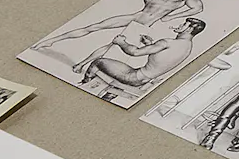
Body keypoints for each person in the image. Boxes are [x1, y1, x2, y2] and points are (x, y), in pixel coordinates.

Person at [34, 0, 204, 63]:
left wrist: (171, 17)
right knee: (94, 27)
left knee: (112, 45)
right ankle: (50, 40)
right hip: (136, 17)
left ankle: (82, 65)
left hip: (144, 25)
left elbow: (197, 9)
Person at [77, 16, 206, 102]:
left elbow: (134, 52)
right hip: (145, 80)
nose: (180, 25)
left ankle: (86, 85)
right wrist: (150, 45)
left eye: (184, 24)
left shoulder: (167, 42)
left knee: (98, 62)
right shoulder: (187, 47)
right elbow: (163, 57)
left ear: (190, 29)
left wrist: (121, 42)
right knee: (123, 70)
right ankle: (108, 96)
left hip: (134, 78)